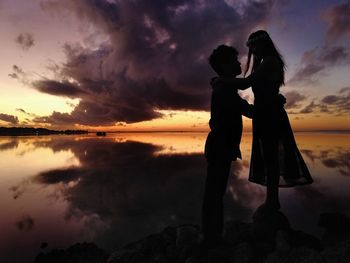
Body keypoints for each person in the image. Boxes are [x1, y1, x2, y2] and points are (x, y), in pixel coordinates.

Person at [216, 30, 313, 210]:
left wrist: (221, 80)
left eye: (255, 46)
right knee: (269, 157)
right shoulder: (265, 62)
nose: (253, 51)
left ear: (263, 44)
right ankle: (272, 201)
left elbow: (246, 84)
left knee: (271, 157)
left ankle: (272, 201)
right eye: (252, 47)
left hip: (270, 115)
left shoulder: (270, 61)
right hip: (263, 113)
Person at [201, 45, 253, 248]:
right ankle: (210, 238)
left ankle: (212, 235)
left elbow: (244, 108)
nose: (239, 63)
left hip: (220, 147)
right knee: (214, 194)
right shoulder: (224, 88)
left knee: (215, 193)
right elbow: (248, 111)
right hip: (219, 147)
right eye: (235, 60)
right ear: (225, 65)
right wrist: (272, 105)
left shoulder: (224, 87)